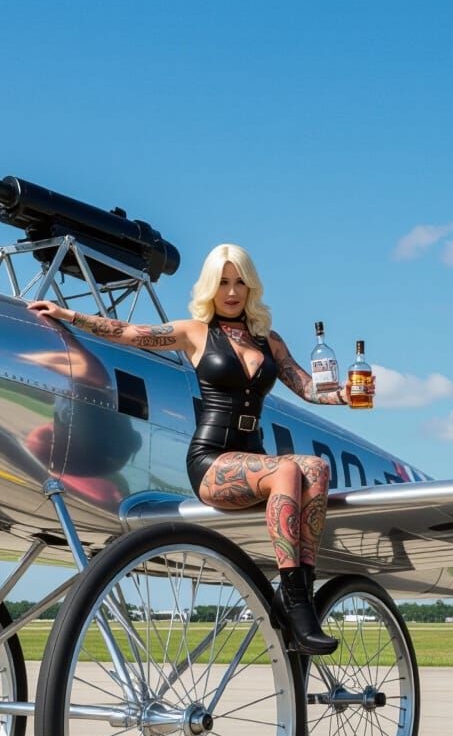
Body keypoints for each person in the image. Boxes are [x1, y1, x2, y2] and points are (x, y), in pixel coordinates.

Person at [27, 243, 354, 655]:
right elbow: (130, 334)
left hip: (255, 460)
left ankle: (300, 593)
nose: (232, 292)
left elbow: (307, 387)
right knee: (288, 471)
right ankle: (294, 603)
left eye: (239, 283)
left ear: (251, 287)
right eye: (223, 283)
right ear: (210, 287)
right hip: (212, 460)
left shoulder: (269, 341)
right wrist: (68, 315)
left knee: (316, 469)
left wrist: (343, 394)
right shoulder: (195, 333)